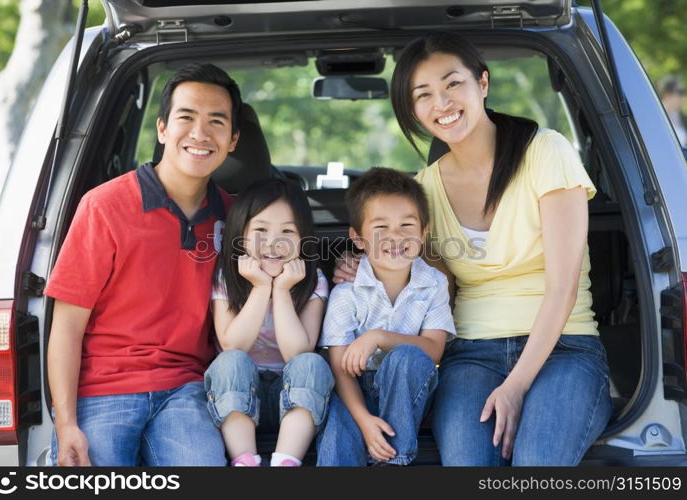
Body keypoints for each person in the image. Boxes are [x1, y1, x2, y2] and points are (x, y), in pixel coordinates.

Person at [335, 33, 613, 466]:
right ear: (412, 110)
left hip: (565, 348)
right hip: (471, 355)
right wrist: (366, 271)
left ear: (482, 83)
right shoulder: (424, 189)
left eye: (452, 84)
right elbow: (428, 284)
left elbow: (563, 287)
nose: (441, 103)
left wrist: (516, 385)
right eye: (423, 94)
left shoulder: (547, 152)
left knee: (537, 464)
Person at [45, 63, 241, 466]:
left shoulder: (236, 217)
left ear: (233, 140)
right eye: (187, 118)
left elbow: (291, 265)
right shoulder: (104, 206)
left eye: (216, 122)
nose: (200, 134)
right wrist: (66, 423)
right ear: (163, 129)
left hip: (188, 389)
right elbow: (66, 324)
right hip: (102, 389)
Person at [316, 167, 455, 466]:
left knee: (407, 357)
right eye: (381, 228)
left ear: (424, 232)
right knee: (337, 425)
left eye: (407, 224)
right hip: (354, 388)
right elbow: (340, 368)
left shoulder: (433, 283)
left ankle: (394, 460)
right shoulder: (347, 292)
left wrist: (377, 337)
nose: (395, 236)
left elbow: (433, 349)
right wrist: (365, 420)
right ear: (359, 239)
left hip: (409, 387)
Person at [204, 178, 334, 467]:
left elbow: (298, 354)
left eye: (287, 231)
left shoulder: (312, 281)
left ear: (303, 239)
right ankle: (245, 461)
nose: (274, 242)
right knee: (231, 361)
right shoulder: (227, 276)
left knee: (312, 365)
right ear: (240, 234)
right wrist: (261, 288)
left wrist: (283, 290)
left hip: (291, 399)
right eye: (261, 230)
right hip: (236, 397)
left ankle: (286, 462)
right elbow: (232, 344)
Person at [657, 74, 687, 147]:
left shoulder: (677, 114)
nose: (683, 97)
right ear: (667, 95)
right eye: (680, 92)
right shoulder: (658, 115)